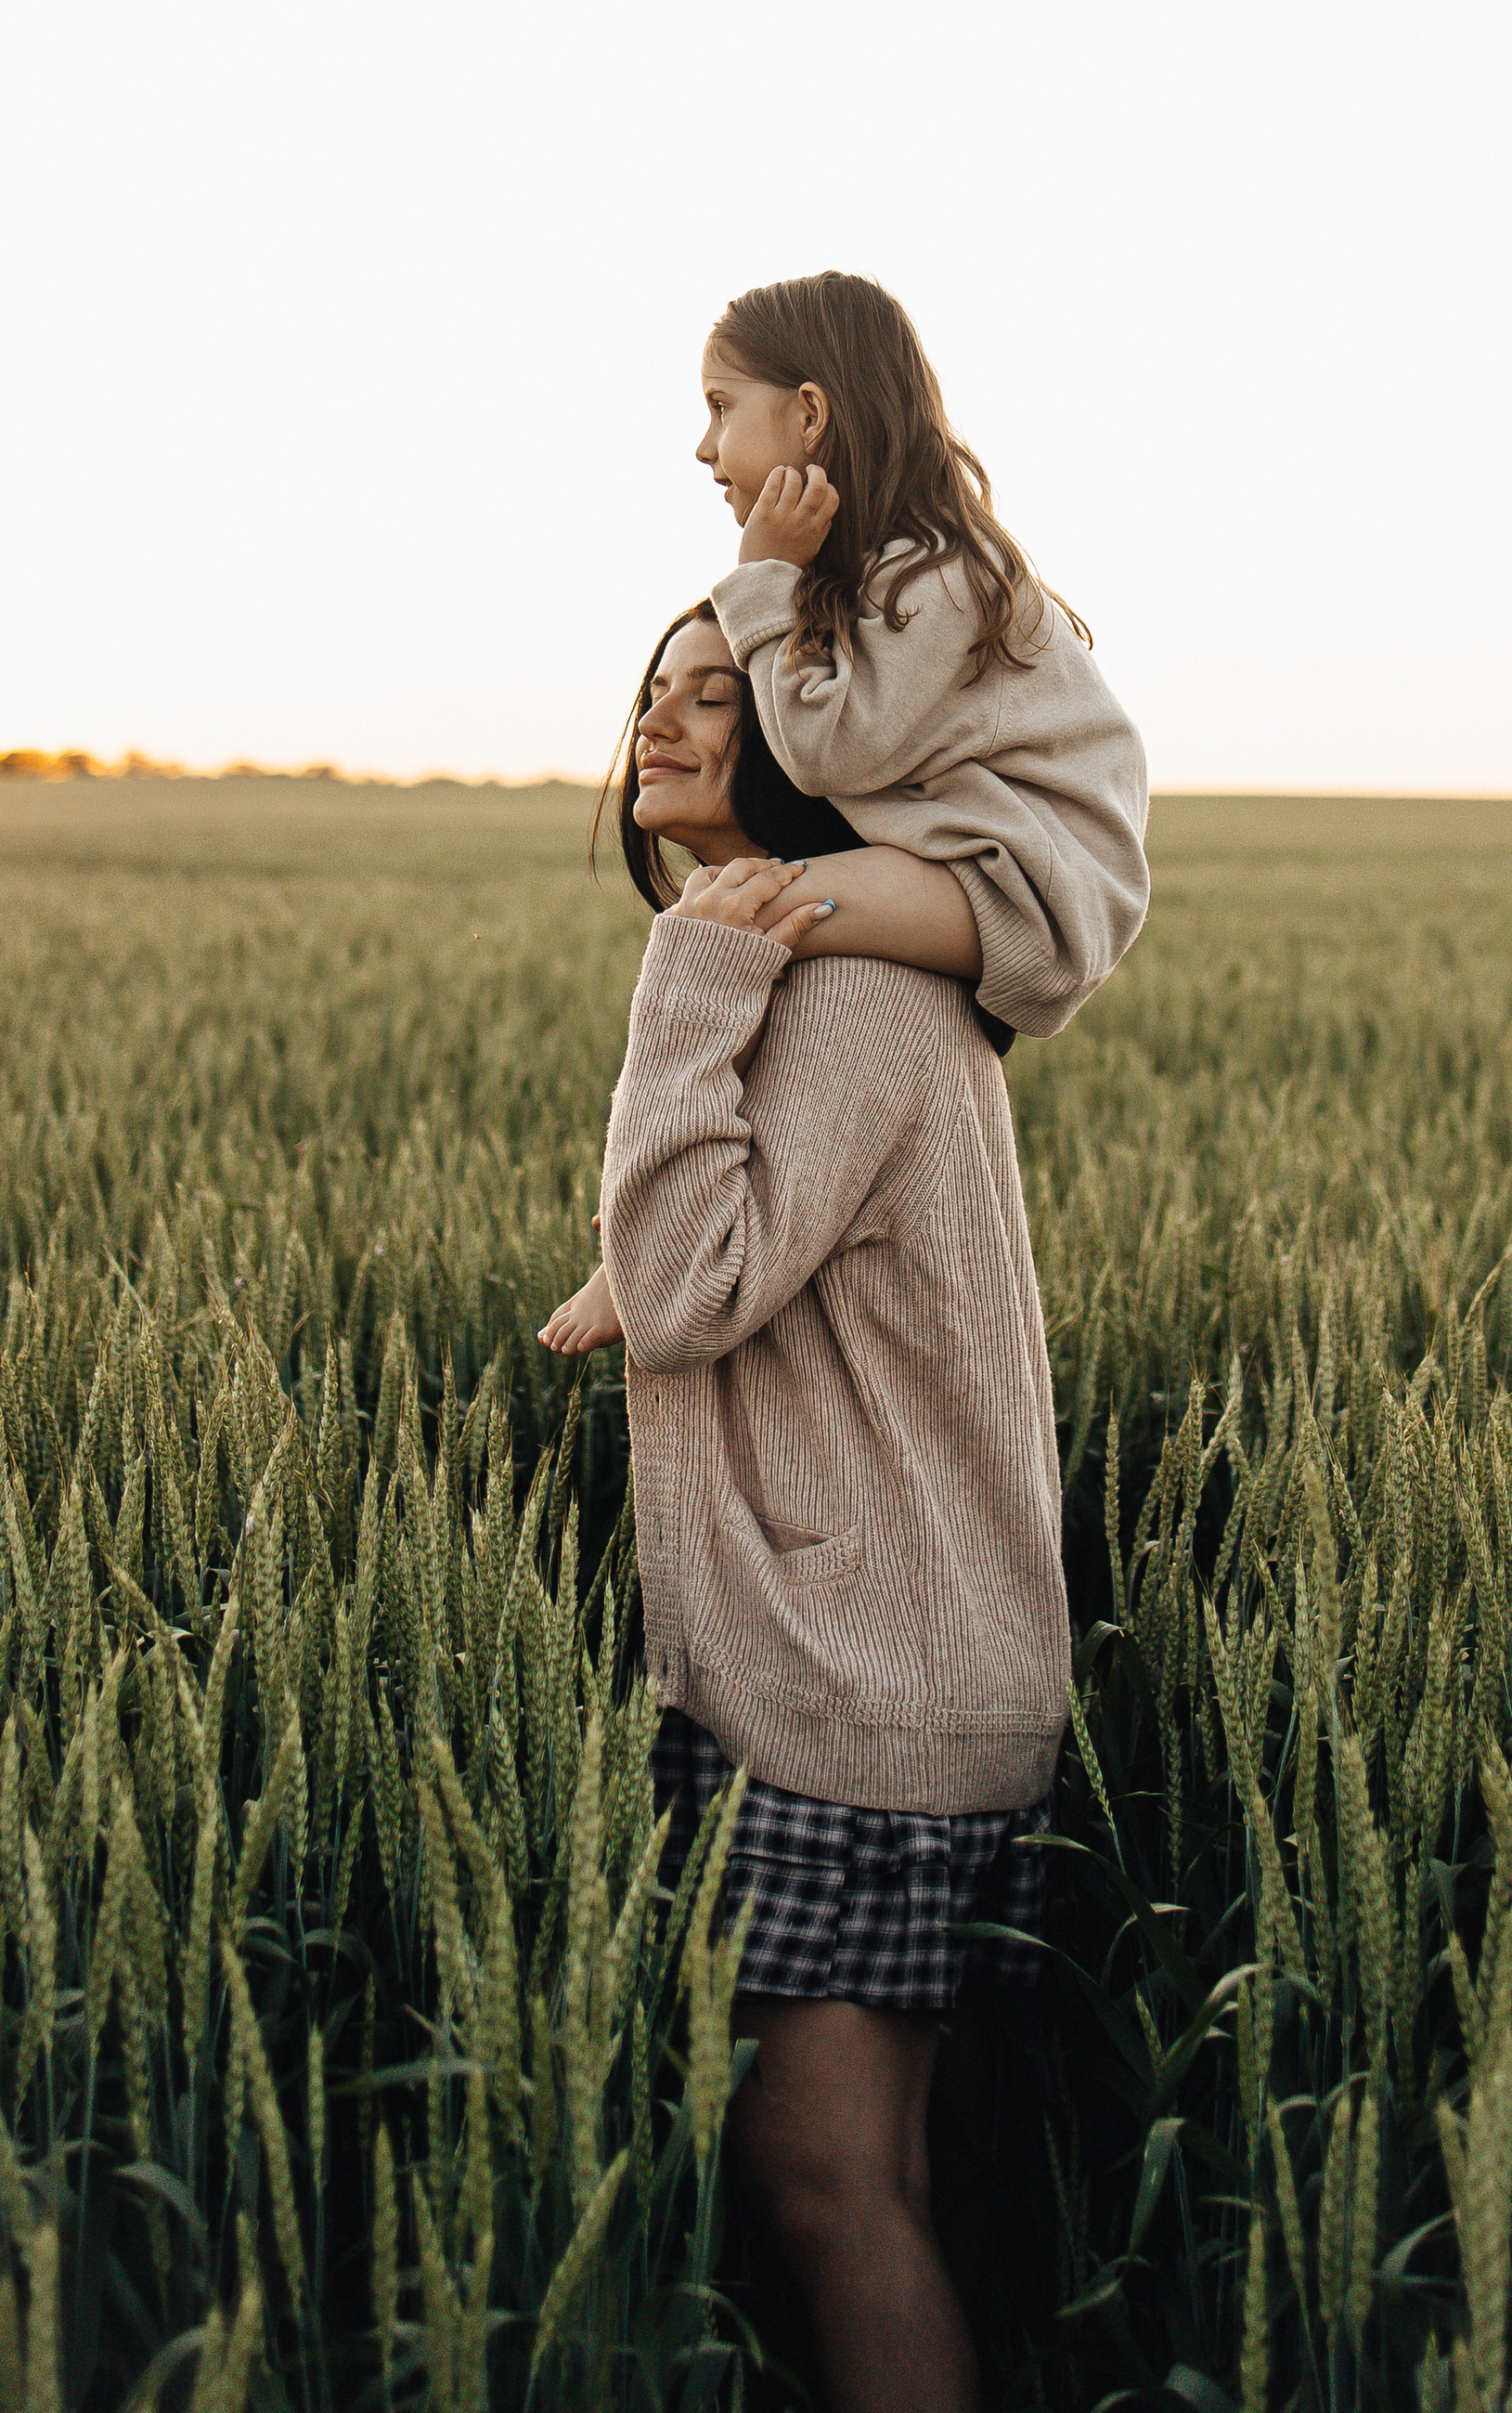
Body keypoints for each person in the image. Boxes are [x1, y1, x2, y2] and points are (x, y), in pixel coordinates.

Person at [541, 602, 1070, 2413]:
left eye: (722, 694)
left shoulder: (835, 986)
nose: (665, 722)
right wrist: (647, 1272)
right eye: (654, 691)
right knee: (867, 2183)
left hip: (858, 1687)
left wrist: (687, 981)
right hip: (848, 1660)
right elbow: (745, 1254)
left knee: (829, 2190)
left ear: (810, 740)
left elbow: (699, 1279)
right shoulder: (844, 987)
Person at [695, 268, 1150, 1044]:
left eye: (720, 407)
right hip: (980, 865)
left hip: (1030, 892)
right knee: (720, 904)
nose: (704, 449)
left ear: (809, 413)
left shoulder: (939, 576)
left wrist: (762, 579)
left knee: (736, 915)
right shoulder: (894, 573)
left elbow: (823, 753)